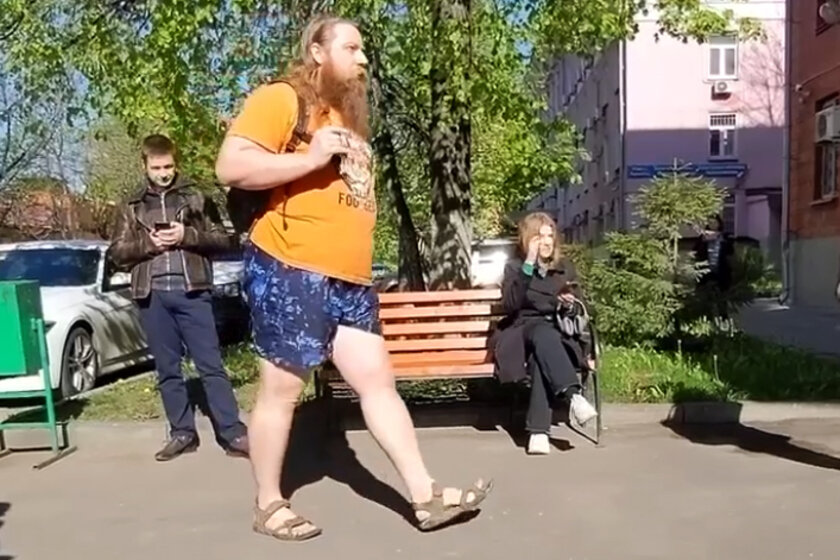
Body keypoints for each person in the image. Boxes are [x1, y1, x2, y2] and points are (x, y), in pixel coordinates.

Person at [215, 14, 492, 541]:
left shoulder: (348, 116)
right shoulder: (282, 99)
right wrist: (312, 156)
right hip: (291, 267)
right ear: (317, 52)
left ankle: (424, 495)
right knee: (282, 390)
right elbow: (230, 166)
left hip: (350, 281)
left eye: (363, 50)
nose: (363, 58)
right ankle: (268, 503)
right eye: (351, 47)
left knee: (377, 383)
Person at [109, 134, 249, 462]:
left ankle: (233, 432)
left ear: (177, 164)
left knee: (211, 366)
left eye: (168, 167)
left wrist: (188, 235)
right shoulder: (131, 205)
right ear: (144, 166)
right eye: (157, 168)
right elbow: (116, 253)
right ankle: (182, 433)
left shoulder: (197, 197)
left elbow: (226, 240)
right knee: (167, 370)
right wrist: (149, 244)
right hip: (152, 295)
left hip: (193, 291)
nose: (163, 173)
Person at [492, 212, 598, 455]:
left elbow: (580, 309)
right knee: (541, 334)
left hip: (557, 334)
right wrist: (529, 263)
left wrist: (569, 305)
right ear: (528, 239)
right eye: (540, 237)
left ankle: (538, 432)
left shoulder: (564, 268)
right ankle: (573, 397)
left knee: (542, 354)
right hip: (522, 331)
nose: (547, 241)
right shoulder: (516, 267)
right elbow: (511, 304)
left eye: (550, 236)